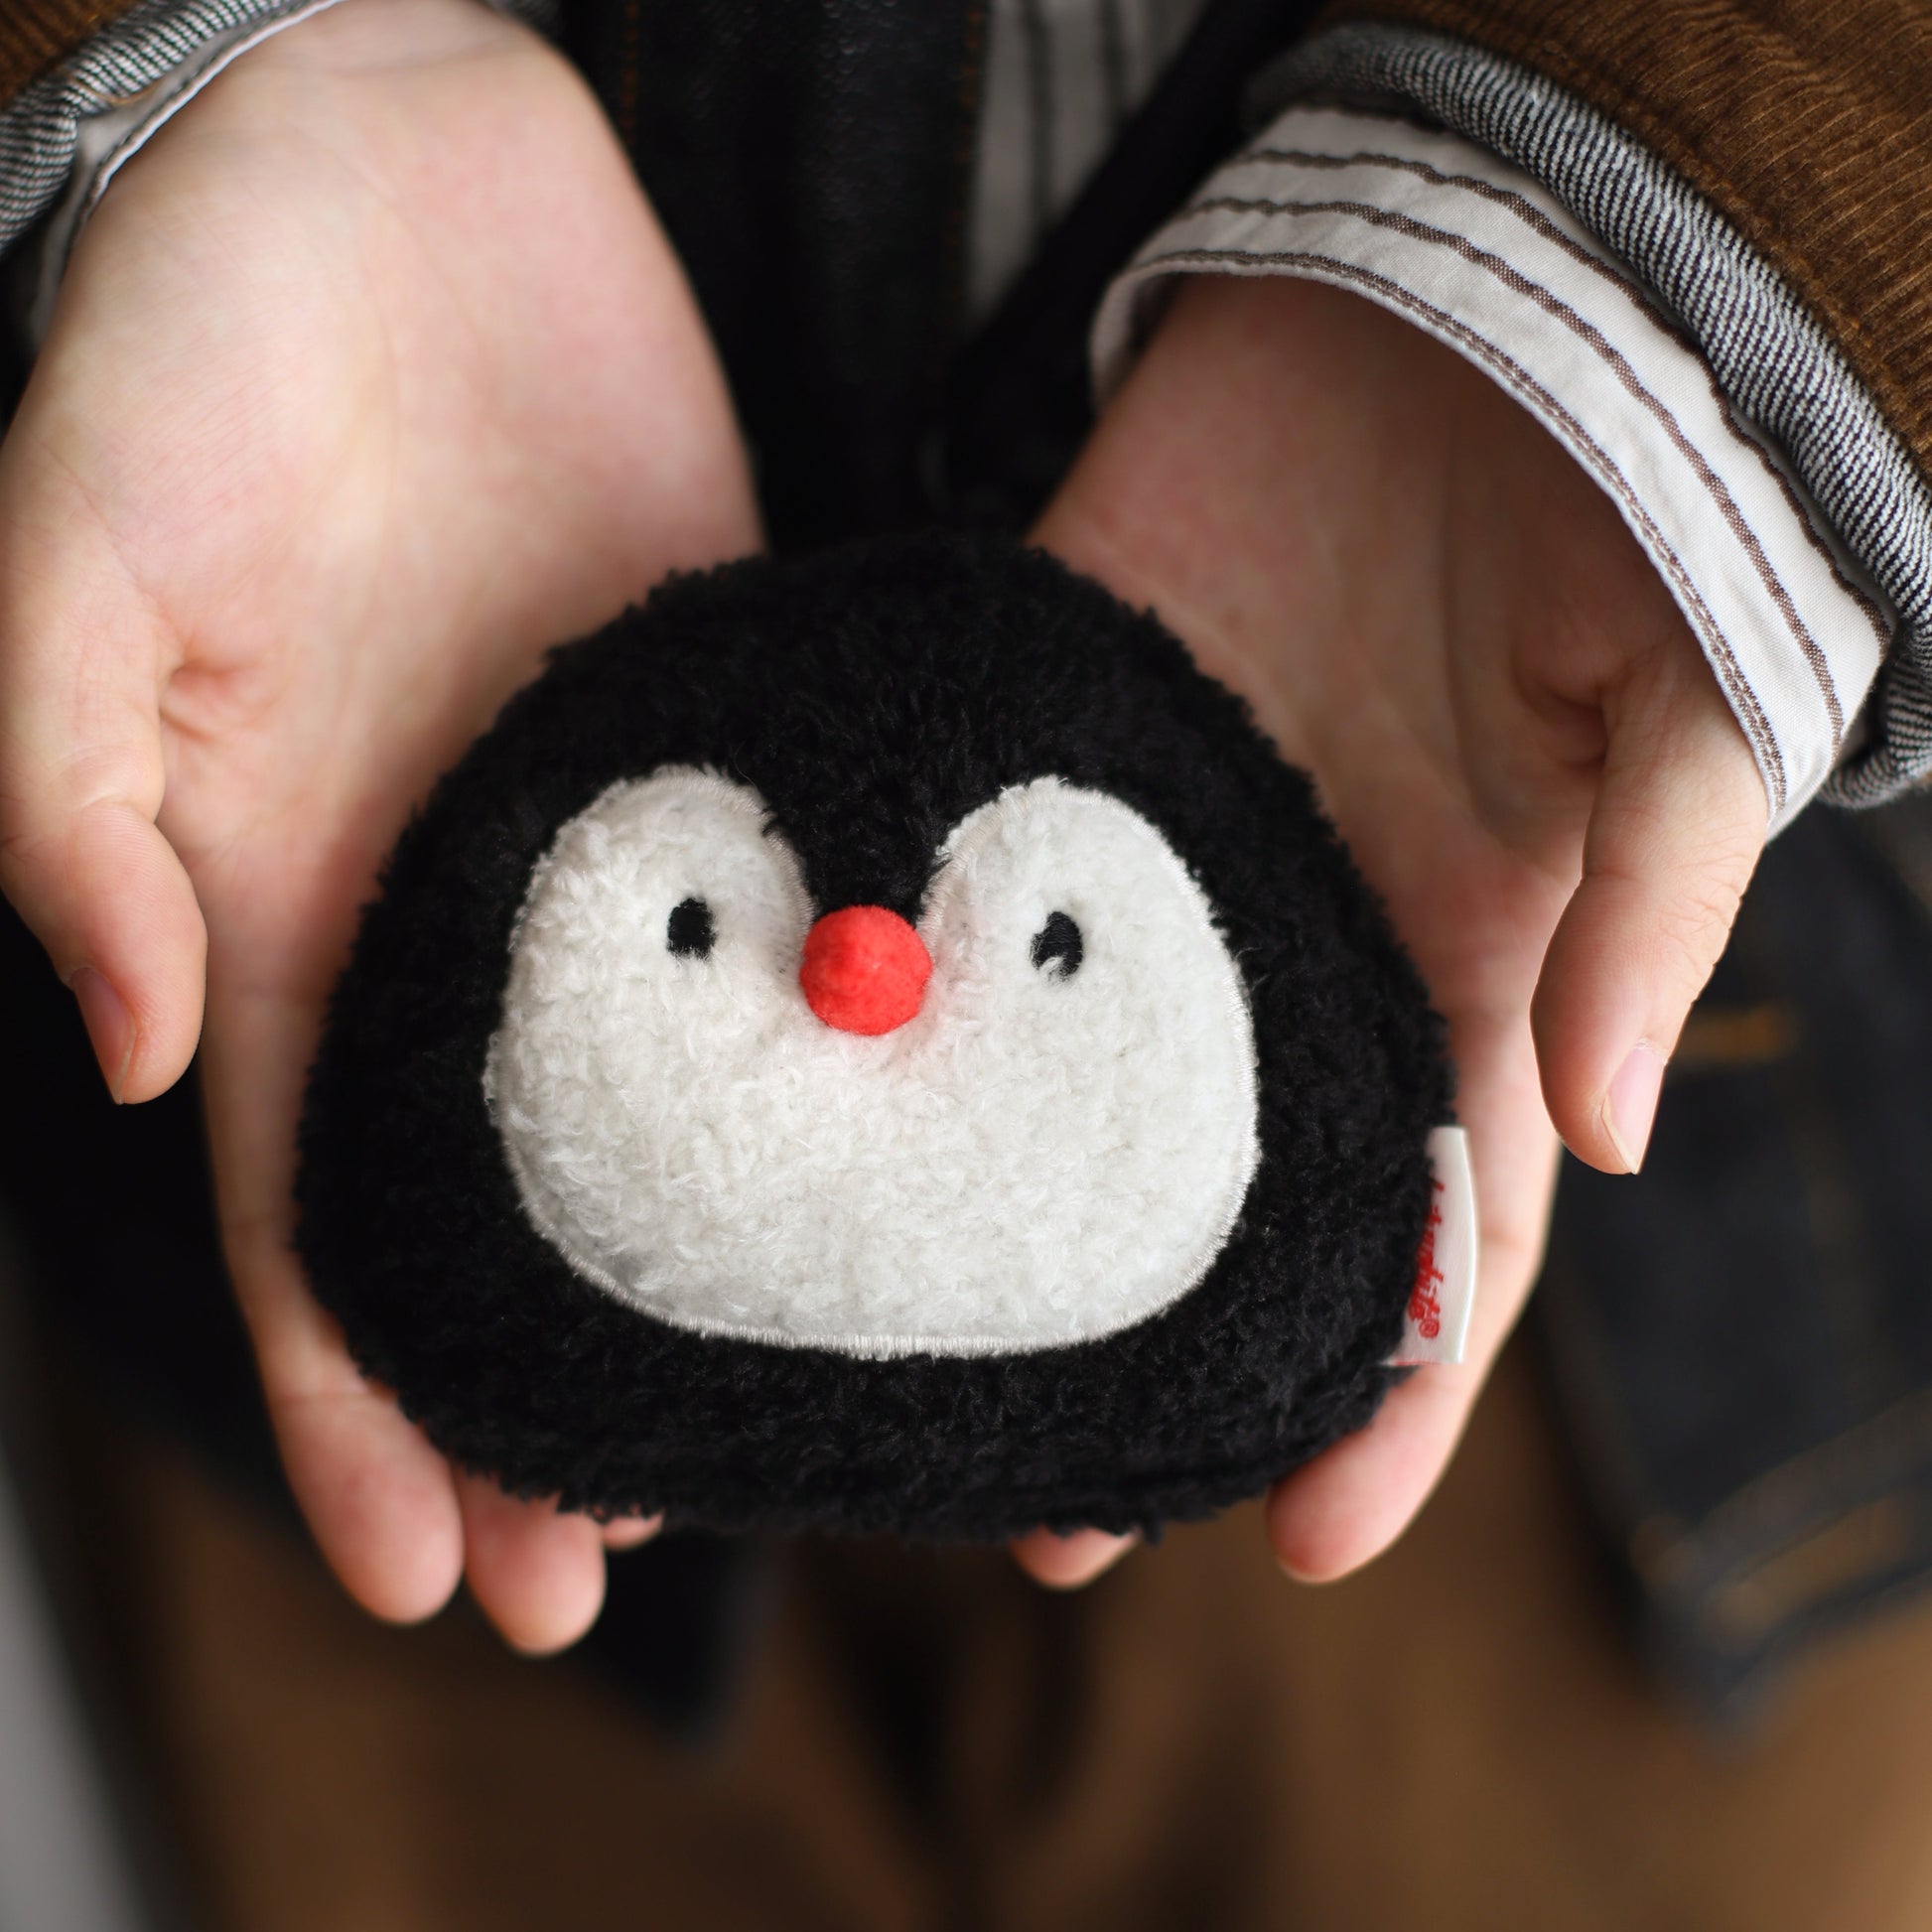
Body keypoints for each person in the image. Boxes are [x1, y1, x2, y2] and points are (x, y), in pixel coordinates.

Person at [0, 0, 1919, 1668]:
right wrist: (203, 65)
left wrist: (1674, 282)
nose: (862, 968)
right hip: (204, 1199)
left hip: (1687, 1303)